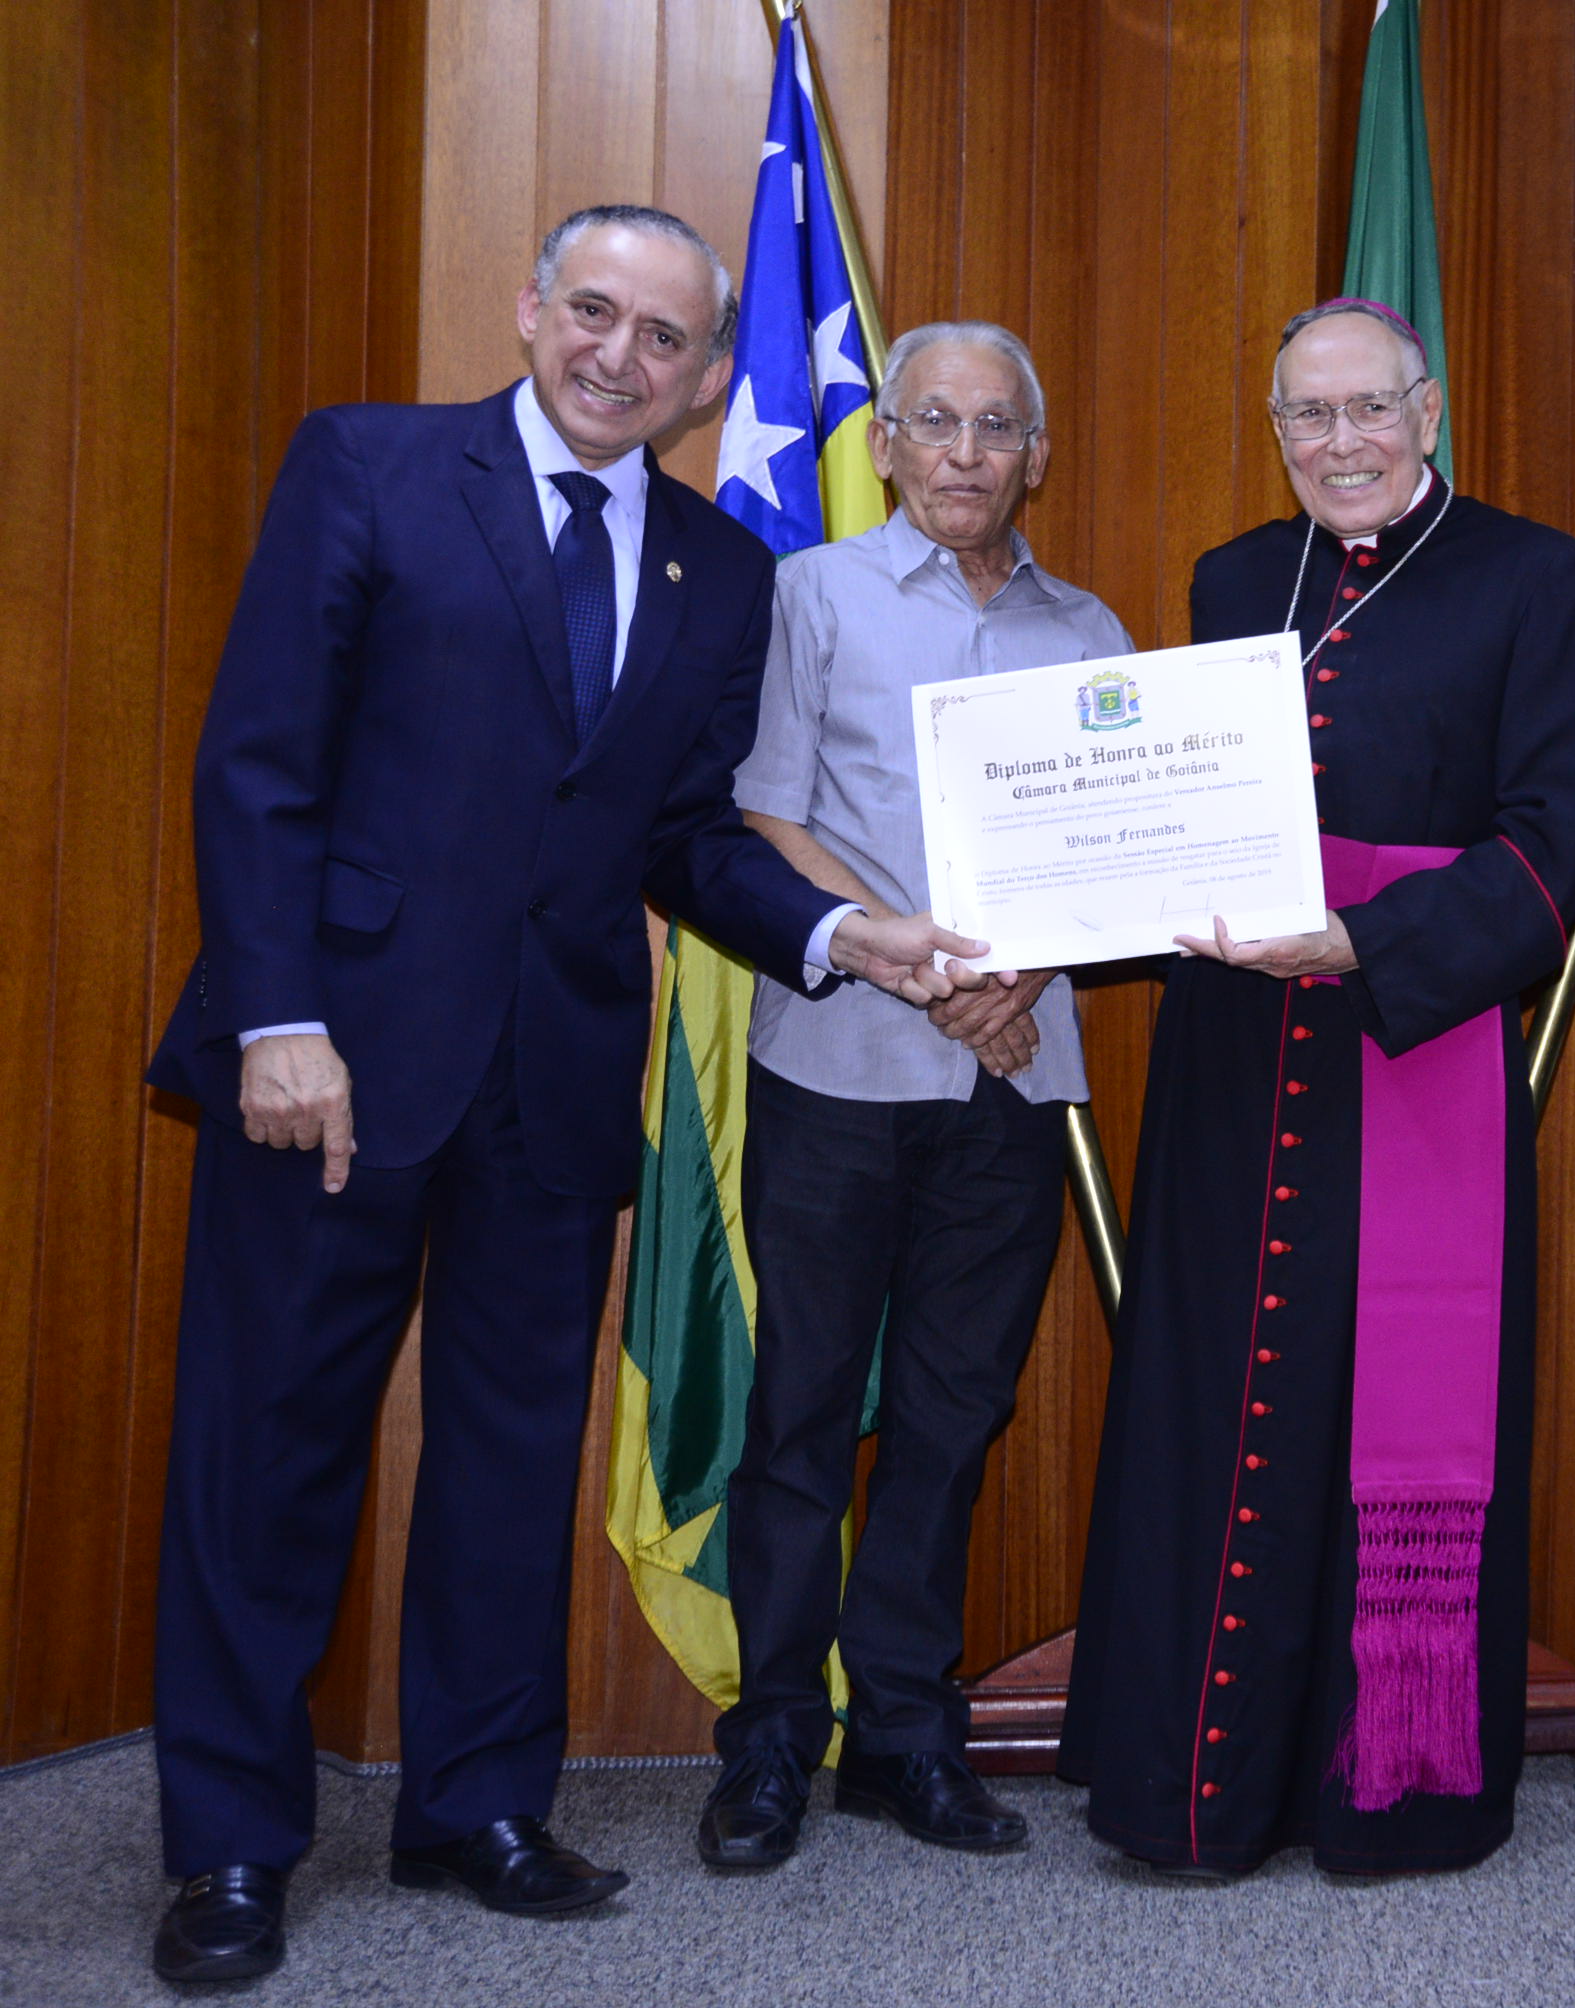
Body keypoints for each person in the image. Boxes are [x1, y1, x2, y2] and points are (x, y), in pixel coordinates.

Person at [140, 205, 978, 1984]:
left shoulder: (718, 569)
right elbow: (261, 760)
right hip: (335, 1067)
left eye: (664, 338)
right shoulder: (370, 468)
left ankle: (477, 1807)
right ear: (531, 310)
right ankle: (229, 1848)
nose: (620, 355)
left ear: (703, 380)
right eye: (594, 312)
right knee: (265, 1455)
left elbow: (686, 838)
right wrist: (277, 1017)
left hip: (555, 1081)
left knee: (512, 1464)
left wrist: (846, 933)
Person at [1048, 298, 1575, 1879]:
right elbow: (1169, 809)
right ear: (1278, 430)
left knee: (1385, 1410)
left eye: (1371, 409)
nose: (1342, 442)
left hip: (1413, 1036)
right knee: (1220, 1392)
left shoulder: (1532, 574)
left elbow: (1558, 835)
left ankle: (1389, 1790)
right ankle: (1197, 1787)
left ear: (1428, 414)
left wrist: (1367, 940)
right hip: (1239, 1048)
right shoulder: (1236, 578)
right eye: (1309, 415)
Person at [692, 322, 1129, 1871]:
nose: (964, 451)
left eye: (996, 426)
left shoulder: (1090, 631)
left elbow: (1123, 851)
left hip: (1017, 1077)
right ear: (885, 445)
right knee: (803, 1412)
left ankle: (901, 1737)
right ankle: (769, 1743)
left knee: (953, 1415)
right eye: (934, 421)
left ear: (1036, 455)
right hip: (840, 1065)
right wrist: (928, 974)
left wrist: (1028, 971)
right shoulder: (810, 594)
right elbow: (762, 817)